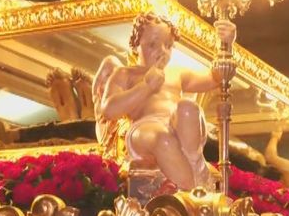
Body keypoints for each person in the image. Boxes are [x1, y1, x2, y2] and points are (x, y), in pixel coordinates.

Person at [94, 12, 220, 190]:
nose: (162, 51)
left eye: (168, 45)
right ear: (136, 45)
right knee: (163, 138)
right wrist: (146, 86)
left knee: (188, 108)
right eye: (153, 44)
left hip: (175, 125)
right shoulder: (126, 74)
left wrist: (226, 44)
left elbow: (215, 78)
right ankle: (194, 191)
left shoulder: (177, 72)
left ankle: (195, 165)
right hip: (144, 129)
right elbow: (109, 109)